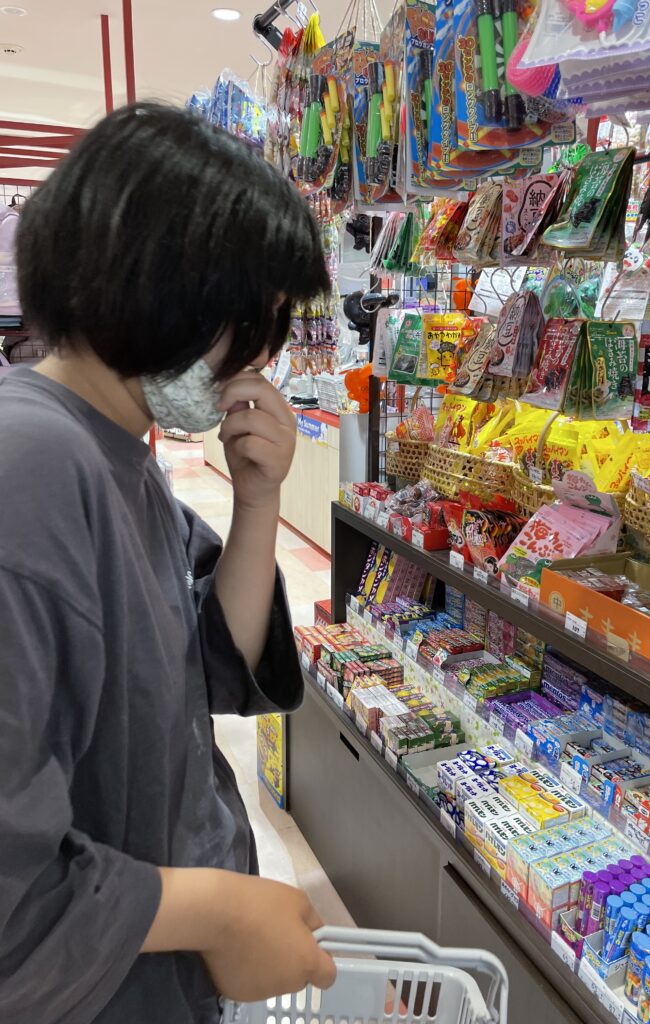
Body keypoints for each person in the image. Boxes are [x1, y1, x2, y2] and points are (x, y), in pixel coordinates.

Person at [0, 103, 338, 1024]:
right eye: (254, 319)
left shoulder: (113, 449)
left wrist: (259, 499)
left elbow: (211, 659)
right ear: (162, 284)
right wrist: (217, 912)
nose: (260, 357)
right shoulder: (33, 467)